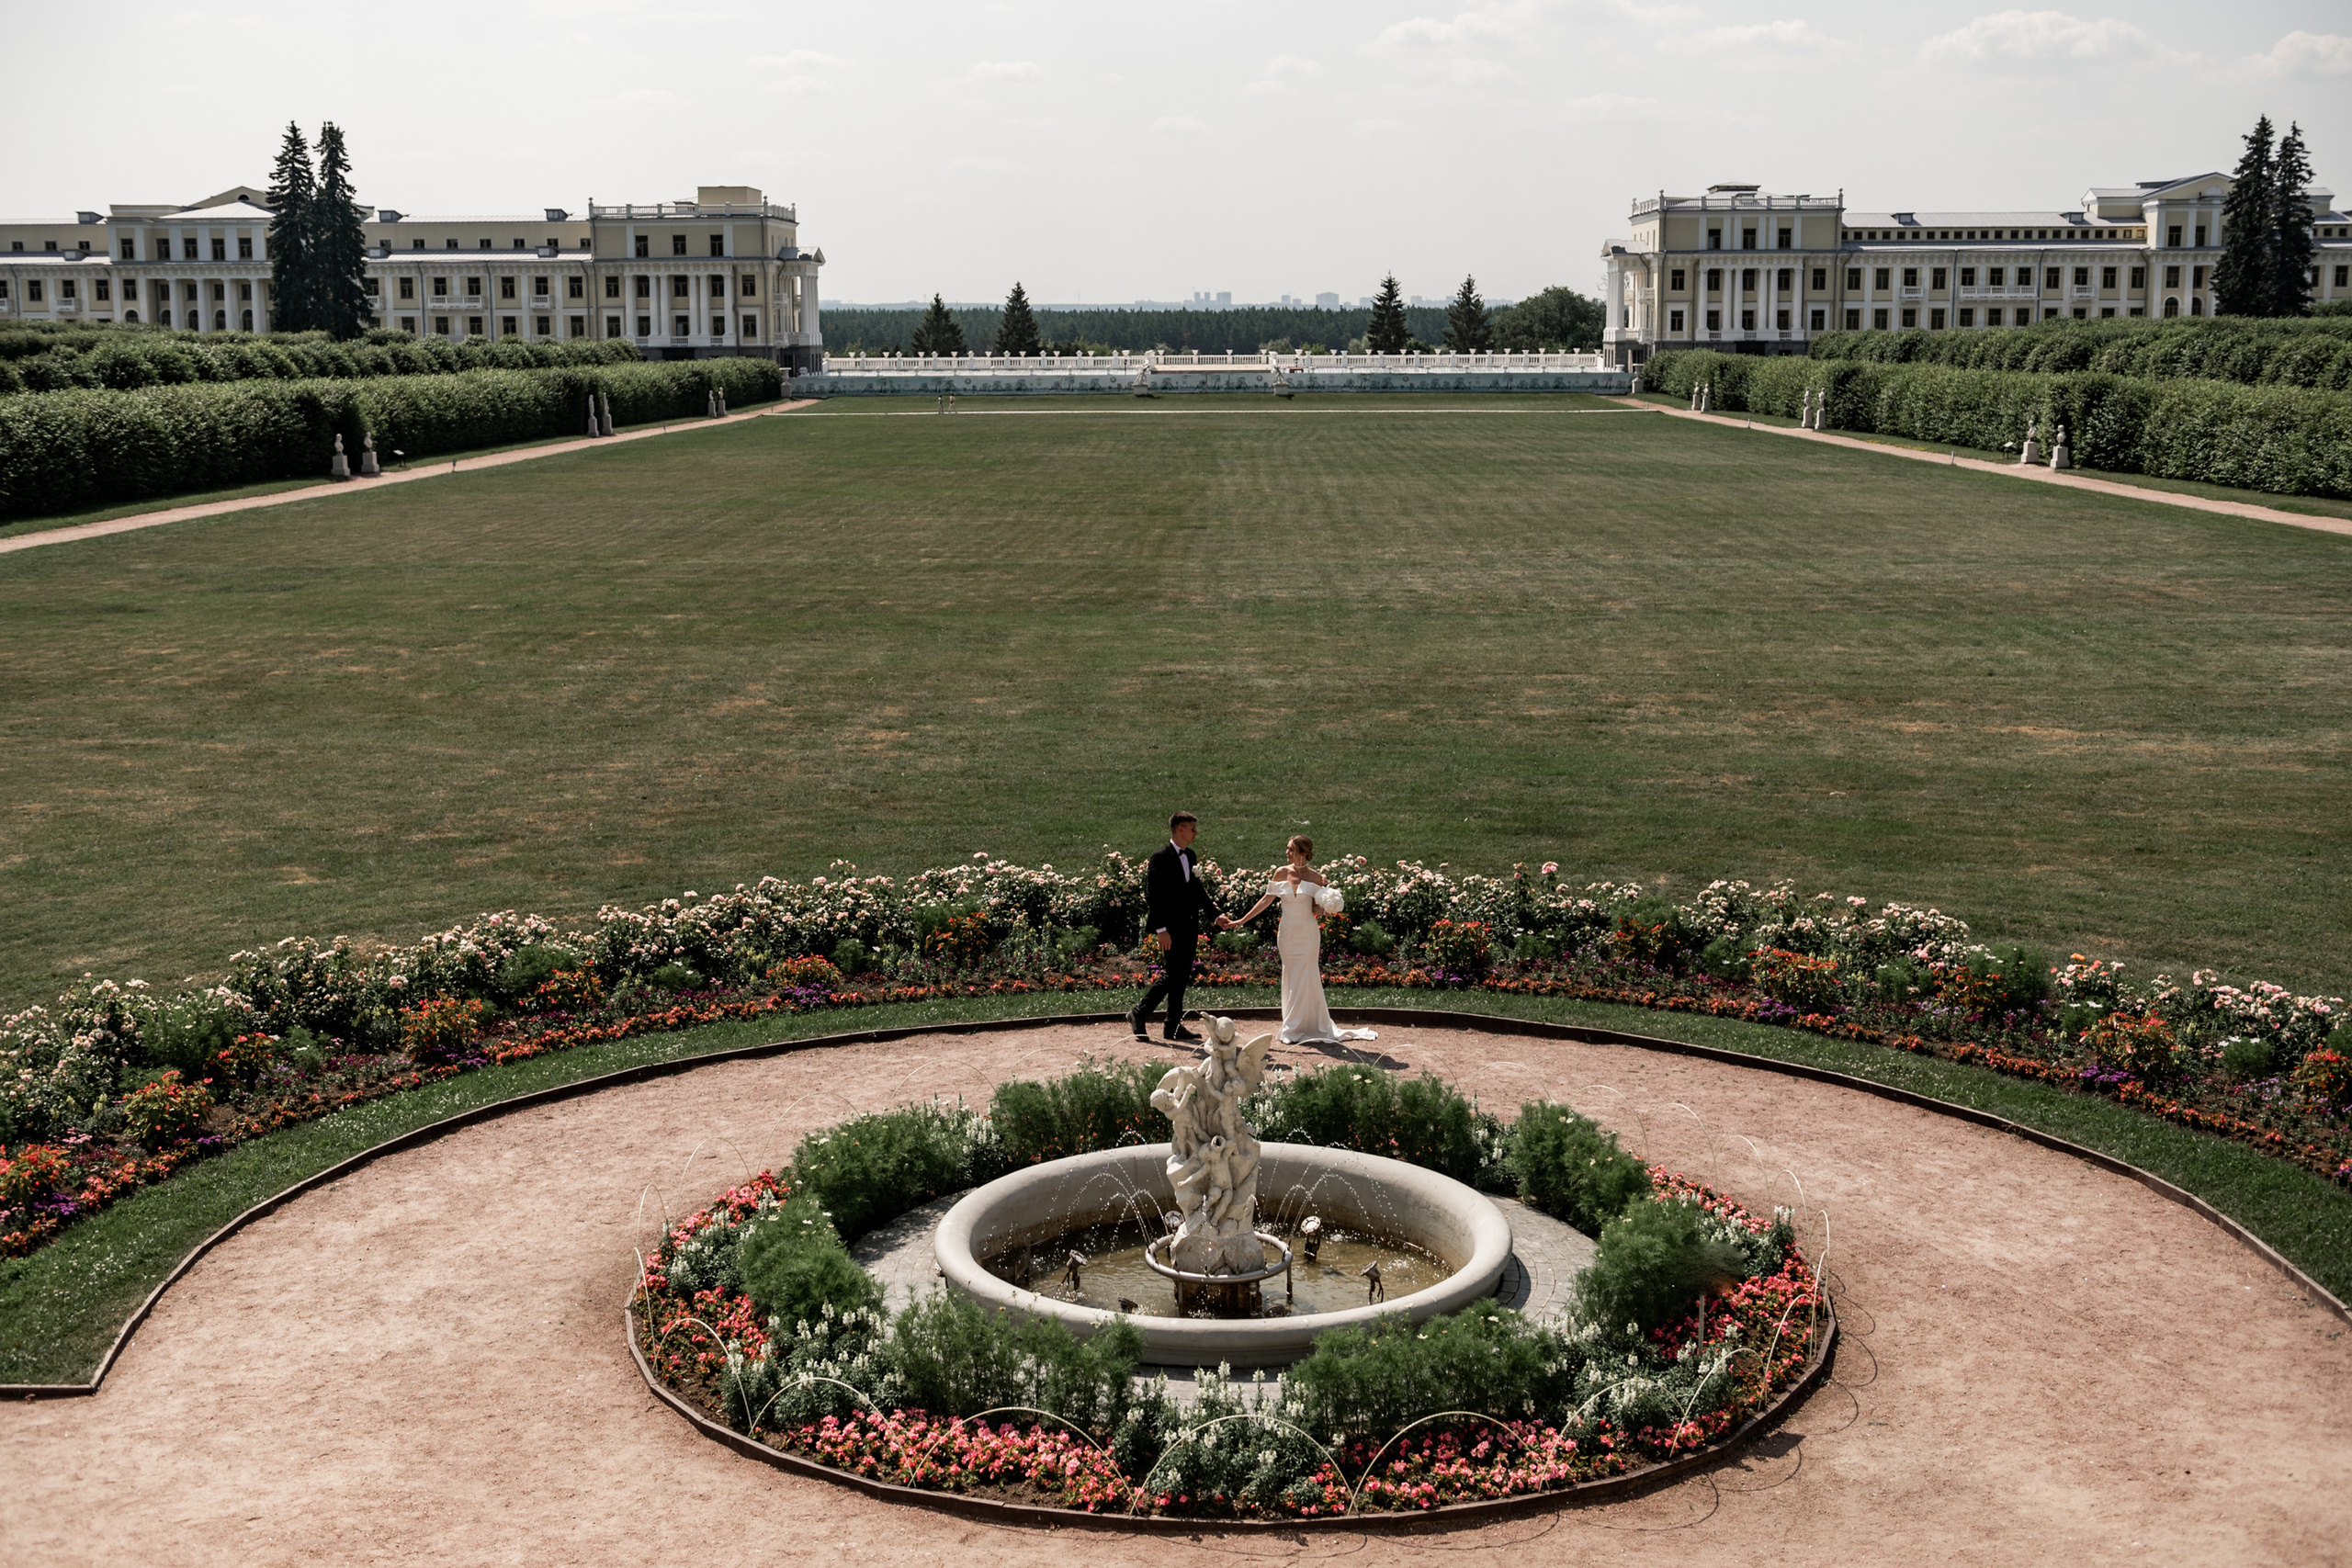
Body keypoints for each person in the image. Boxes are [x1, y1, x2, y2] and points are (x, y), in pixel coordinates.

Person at [1229, 835, 1376, 1046]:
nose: (1287, 853)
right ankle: (1292, 1024)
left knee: (1307, 974)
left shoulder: (1316, 877)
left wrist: (1326, 907)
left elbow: (1318, 908)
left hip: (1308, 932)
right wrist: (1241, 920)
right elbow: (1265, 900)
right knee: (1291, 973)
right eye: (1288, 849)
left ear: (1303, 852)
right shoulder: (1281, 872)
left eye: (1291, 849)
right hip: (1288, 932)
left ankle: (1307, 1024)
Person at [1128, 811, 1232, 1043]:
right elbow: (1152, 896)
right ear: (1180, 829)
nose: (1196, 832)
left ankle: (1172, 1027)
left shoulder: (1190, 855)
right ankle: (1139, 1012)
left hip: (1189, 926)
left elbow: (1197, 892)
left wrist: (1216, 916)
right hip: (1170, 928)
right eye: (1193, 828)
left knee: (1181, 975)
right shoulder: (1160, 857)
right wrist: (1161, 928)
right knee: (1172, 974)